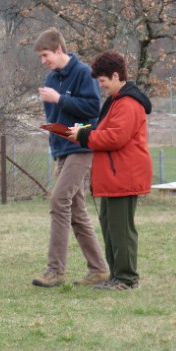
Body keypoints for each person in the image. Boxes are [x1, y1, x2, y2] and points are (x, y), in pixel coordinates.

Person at [31, 27, 109, 288]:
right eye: (41, 57)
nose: (43, 61)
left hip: (82, 146)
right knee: (76, 212)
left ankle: (54, 271)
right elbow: (54, 120)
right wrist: (54, 146)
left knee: (59, 201)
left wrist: (60, 99)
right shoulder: (51, 79)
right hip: (62, 151)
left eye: (45, 55)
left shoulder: (84, 73)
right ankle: (99, 269)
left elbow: (92, 109)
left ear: (58, 50)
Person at [68, 51, 152, 290]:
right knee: (111, 227)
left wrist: (83, 135)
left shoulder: (128, 104)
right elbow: (104, 128)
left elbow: (115, 137)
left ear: (116, 76)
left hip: (124, 176)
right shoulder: (117, 102)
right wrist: (81, 131)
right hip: (115, 177)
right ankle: (117, 276)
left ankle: (126, 278)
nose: (101, 86)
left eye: (103, 81)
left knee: (121, 230)